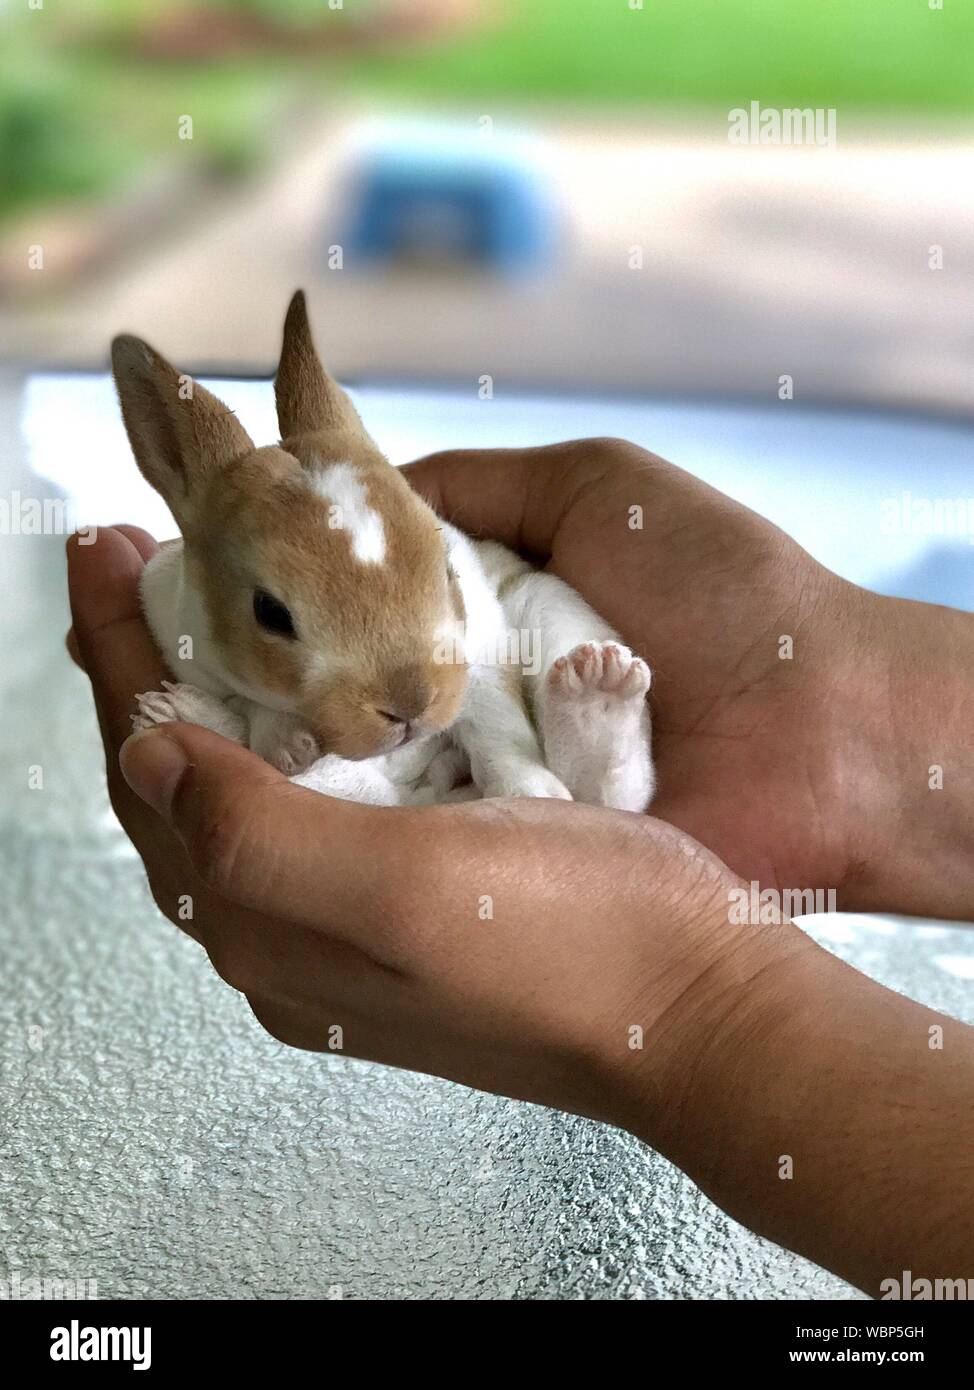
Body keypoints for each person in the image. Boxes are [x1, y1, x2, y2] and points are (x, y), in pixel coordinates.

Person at [66, 437, 974, 1296]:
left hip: (523, 746)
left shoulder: (436, 569)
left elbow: (483, 653)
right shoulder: (189, 592)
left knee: (548, 673)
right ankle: (556, 787)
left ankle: (600, 764)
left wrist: (687, 1009)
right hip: (417, 795)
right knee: (330, 786)